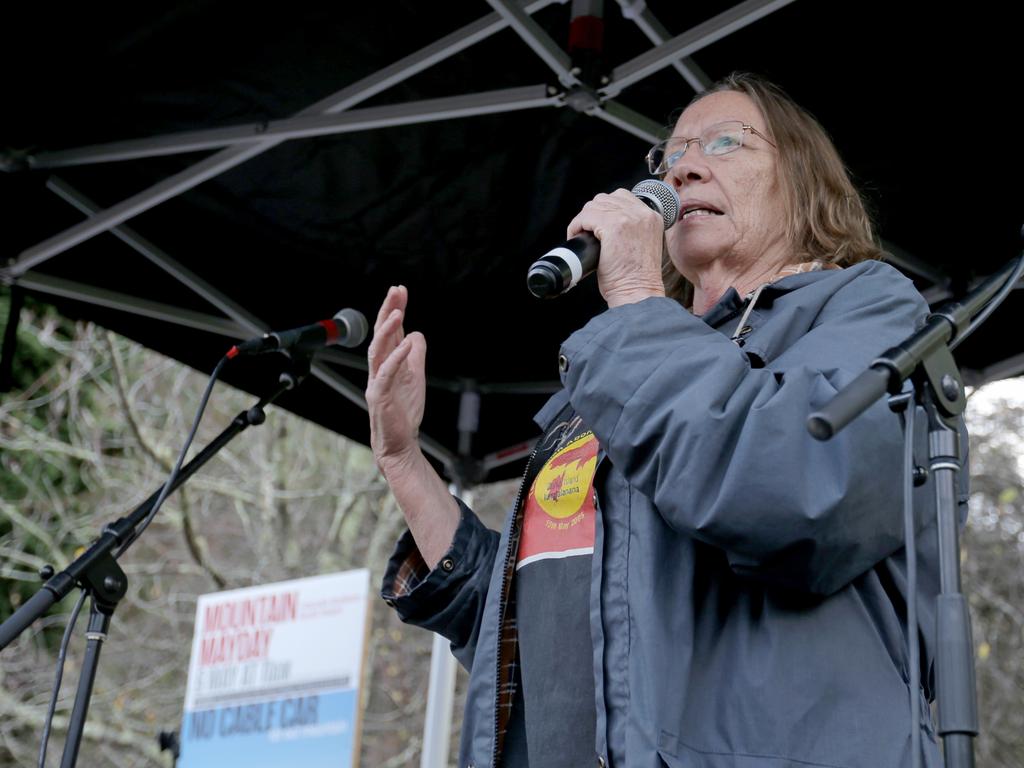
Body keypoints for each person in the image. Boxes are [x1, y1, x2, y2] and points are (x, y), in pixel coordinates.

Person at [366, 73, 958, 768]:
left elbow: (793, 493)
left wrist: (637, 295)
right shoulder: (618, 374)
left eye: (727, 142)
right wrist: (405, 462)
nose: (684, 167)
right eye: (670, 155)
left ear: (803, 180)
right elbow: (532, 624)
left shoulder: (865, 308)